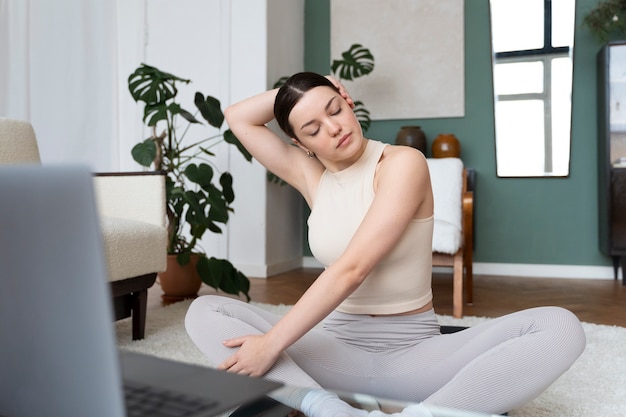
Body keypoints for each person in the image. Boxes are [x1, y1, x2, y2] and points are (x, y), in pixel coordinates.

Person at [185, 72, 586, 416]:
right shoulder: (312, 177)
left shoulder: (402, 162)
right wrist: (296, 94)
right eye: (312, 129)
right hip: (332, 351)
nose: (334, 127)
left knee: (559, 327)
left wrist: (271, 345)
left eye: (334, 109)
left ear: (347, 100)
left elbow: (353, 268)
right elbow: (237, 117)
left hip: (413, 355)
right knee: (204, 311)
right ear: (302, 145)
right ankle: (327, 408)